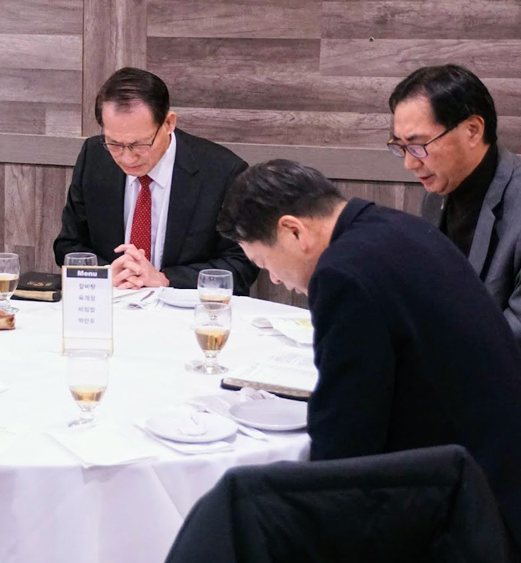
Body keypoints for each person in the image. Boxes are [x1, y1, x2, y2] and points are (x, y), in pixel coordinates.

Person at [216, 159, 521, 549]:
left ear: (293, 231)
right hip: (500, 472)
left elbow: (345, 436)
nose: (274, 278)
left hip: (468, 514)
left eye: (263, 263)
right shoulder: (396, 226)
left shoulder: (342, 273)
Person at [53, 67, 258, 292]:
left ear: (168, 123)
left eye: (140, 144)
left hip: (184, 307)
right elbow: (68, 245)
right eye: (115, 144)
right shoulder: (94, 157)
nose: (127, 158)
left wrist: (165, 279)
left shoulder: (223, 172)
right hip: (113, 301)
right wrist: (105, 273)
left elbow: (242, 265)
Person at [388, 64, 521, 342]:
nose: (409, 163)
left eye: (418, 145)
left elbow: (515, 334)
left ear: (472, 130)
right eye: (401, 146)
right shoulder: (437, 193)